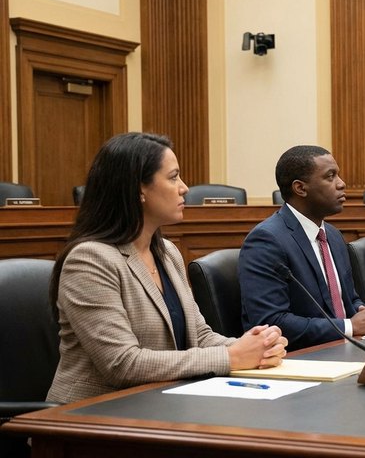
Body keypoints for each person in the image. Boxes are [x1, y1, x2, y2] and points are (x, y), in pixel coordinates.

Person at [47, 132, 287, 404]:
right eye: (173, 177)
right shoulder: (90, 260)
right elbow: (122, 363)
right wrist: (232, 357)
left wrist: (256, 347)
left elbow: (199, 336)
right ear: (139, 189)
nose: (184, 188)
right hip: (89, 418)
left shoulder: (168, 252)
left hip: (161, 405)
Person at [239, 145, 365, 351]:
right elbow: (271, 321)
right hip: (296, 358)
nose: (342, 184)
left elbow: (347, 298)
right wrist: (350, 326)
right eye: (330, 176)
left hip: (342, 348)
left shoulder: (333, 235)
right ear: (300, 188)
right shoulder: (266, 240)